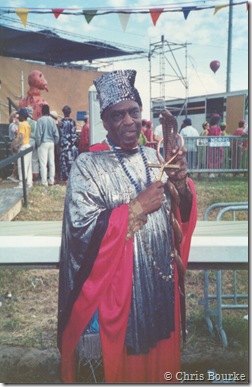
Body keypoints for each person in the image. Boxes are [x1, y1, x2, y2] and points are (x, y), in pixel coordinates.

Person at [57, 69, 197, 383]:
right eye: (118, 115)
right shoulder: (88, 165)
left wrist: (181, 184)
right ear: (104, 121)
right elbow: (81, 230)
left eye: (134, 112)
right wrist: (134, 209)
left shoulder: (154, 156)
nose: (129, 121)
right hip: (118, 295)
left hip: (160, 284)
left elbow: (179, 215)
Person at [36, 104, 59, 186]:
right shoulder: (52, 121)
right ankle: (51, 180)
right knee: (51, 162)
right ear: (48, 112)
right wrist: (54, 142)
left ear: (42, 111)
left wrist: (38, 144)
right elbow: (56, 134)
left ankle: (44, 182)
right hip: (51, 143)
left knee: (43, 163)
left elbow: (38, 134)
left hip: (43, 143)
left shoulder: (40, 120)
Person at [58, 105, 79, 183]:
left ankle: (63, 178)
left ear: (63, 112)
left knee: (63, 162)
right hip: (71, 145)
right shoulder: (73, 122)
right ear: (70, 113)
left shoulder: (61, 122)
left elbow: (60, 133)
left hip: (63, 145)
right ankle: (71, 178)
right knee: (71, 162)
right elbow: (74, 134)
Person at [15, 108, 33, 189]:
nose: (18, 117)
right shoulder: (28, 124)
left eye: (19, 115)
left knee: (21, 165)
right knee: (28, 166)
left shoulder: (21, 125)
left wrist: (17, 145)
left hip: (23, 146)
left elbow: (21, 136)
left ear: (22, 116)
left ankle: (21, 183)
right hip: (28, 145)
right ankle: (29, 182)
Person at [26, 106, 40, 183]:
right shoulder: (35, 122)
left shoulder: (24, 122)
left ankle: (28, 176)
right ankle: (36, 175)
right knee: (35, 159)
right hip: (34, 141)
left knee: (27, 159)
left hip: (27, 141)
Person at [7, 111, 19, 182]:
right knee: (16, 160)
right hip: (14, 142)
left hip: (14, 141)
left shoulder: (12, 125)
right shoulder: (12, 125)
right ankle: (13, 175)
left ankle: (13, 175)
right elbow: (16, 133)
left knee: (16, 160)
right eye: (17, 117)